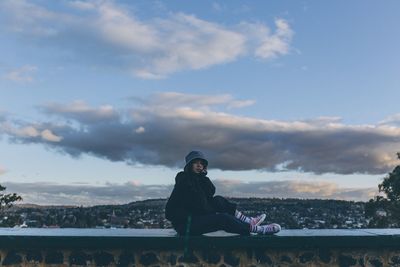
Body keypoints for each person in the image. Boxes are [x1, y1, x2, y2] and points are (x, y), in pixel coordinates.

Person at [165, 150, 281, 236]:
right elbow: (170, 212)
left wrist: (203, 177)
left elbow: (210, 193)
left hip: (196, 217)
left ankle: (247, 220)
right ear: (189, 166)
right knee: (222, 219)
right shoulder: (184, 181)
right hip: (186, 225)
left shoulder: (199, 180)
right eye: (195, 163)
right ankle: (258, 229)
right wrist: (186, 216)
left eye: (201, 163)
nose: (199, 165)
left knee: (218, 200)